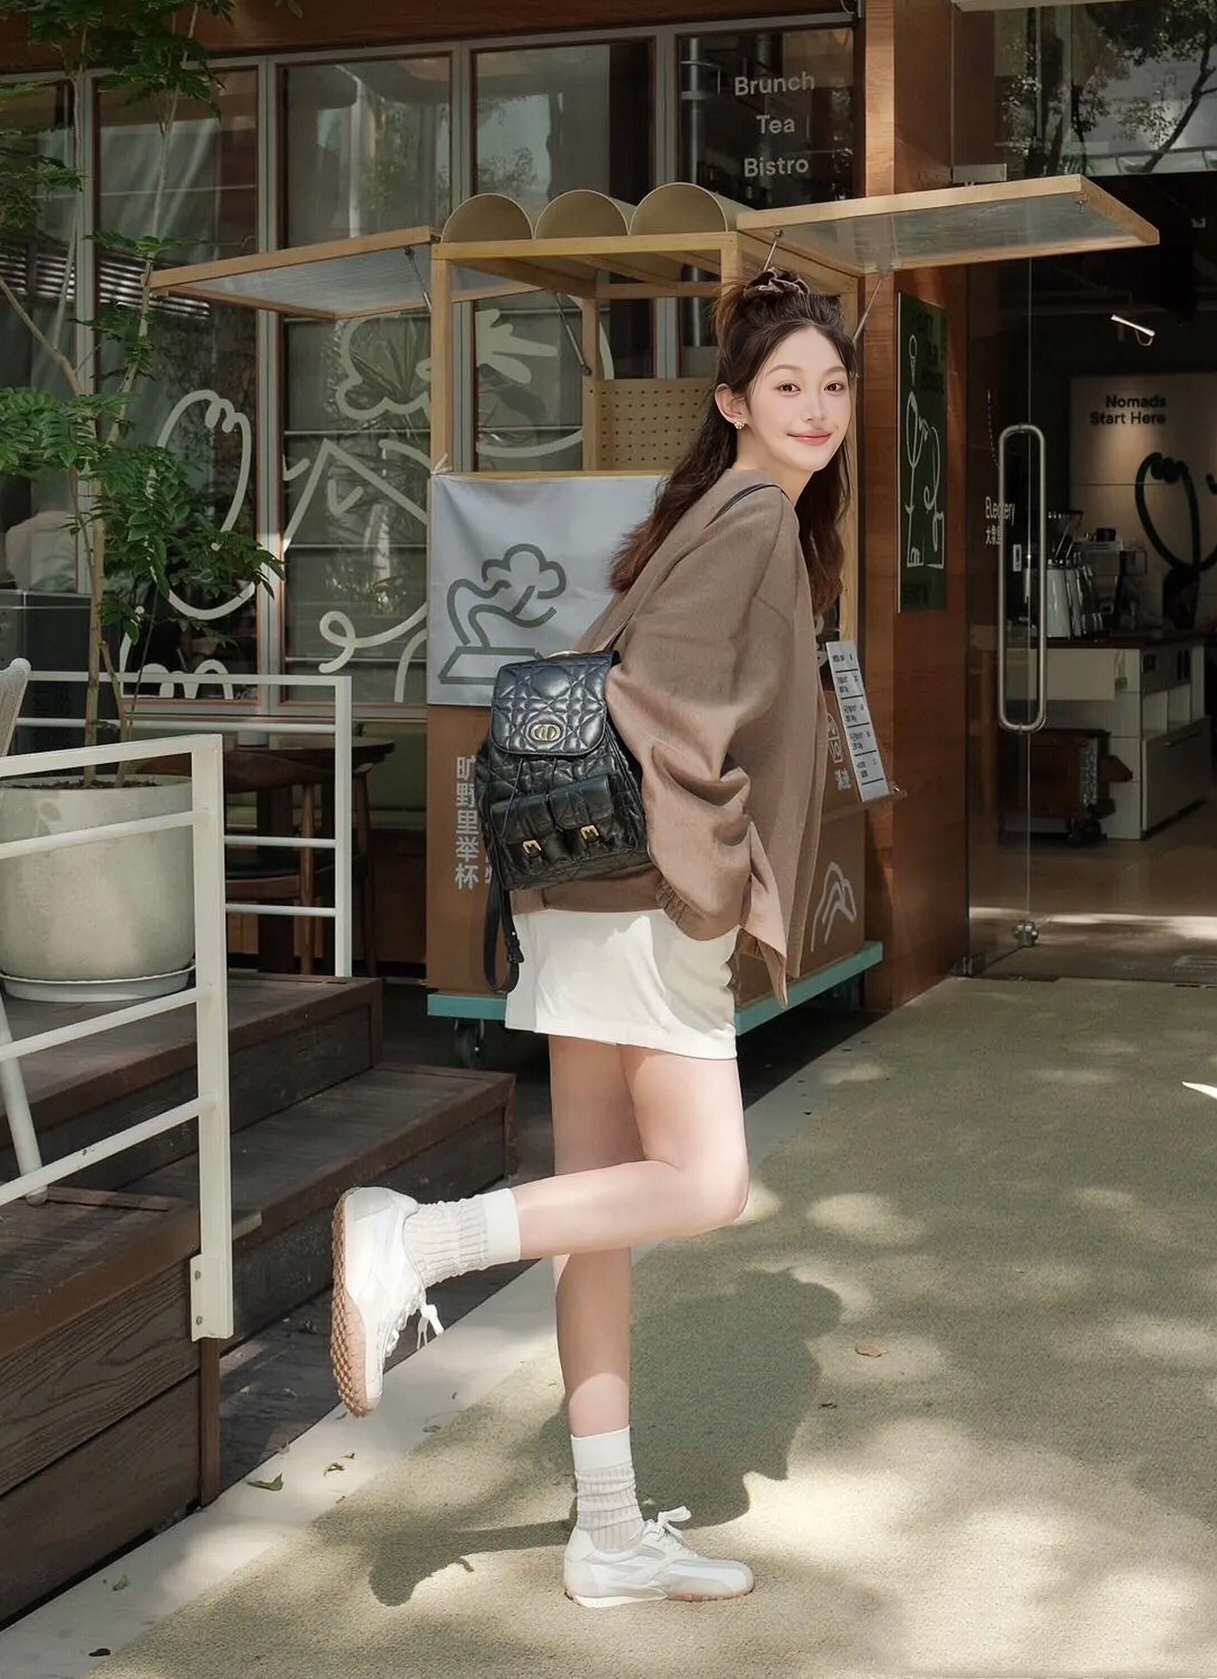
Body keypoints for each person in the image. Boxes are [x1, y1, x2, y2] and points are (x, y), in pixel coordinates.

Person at [331, 266, 856, 1607]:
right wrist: (717, 865)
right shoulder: (755, 518)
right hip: (647, 898)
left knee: (601, 1221)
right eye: (786, 384)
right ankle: (417, 1241)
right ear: (733, 402)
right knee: (707, 1182)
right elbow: (661, 703)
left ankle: (610, 1531)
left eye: (832, 385)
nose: (814, 407)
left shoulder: (709, 512)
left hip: (580, 893)